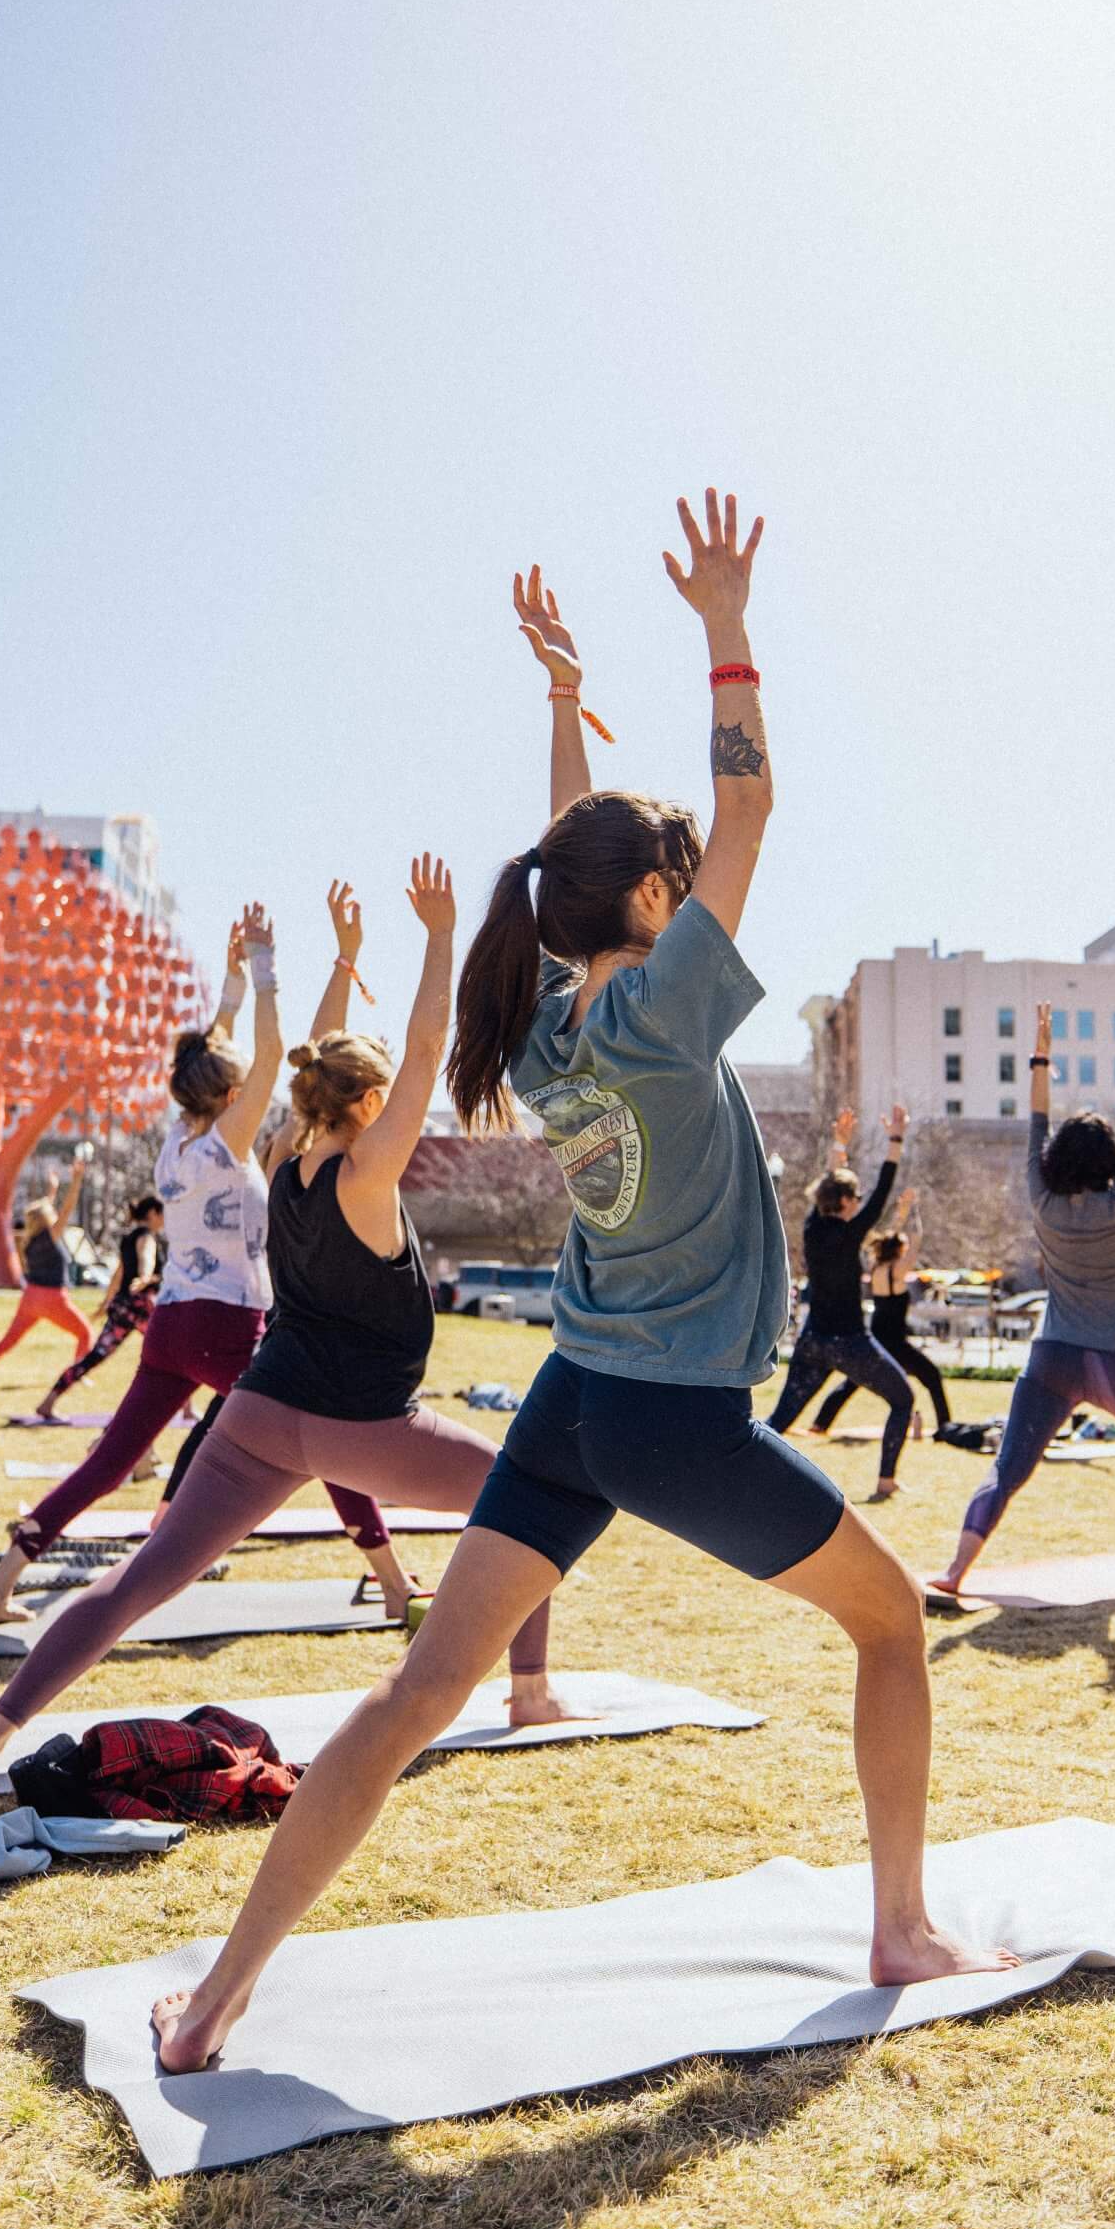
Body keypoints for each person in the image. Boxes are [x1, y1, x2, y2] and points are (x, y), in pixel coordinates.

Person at [146, 491, 1018, 2076]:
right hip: (667, 1419)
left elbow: (574, 858)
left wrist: (561, 700)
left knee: (421, 1692)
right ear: (653, 910)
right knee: (894, 1630)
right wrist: (728, 634)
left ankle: (213, 2005)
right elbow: (744, 817)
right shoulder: (664, 1015)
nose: (693, 886)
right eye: (669, 880)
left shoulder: (549, 1022)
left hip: (572, 1399)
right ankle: (899, 1924)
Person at [0, 857, 567, 1781]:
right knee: (535, 1498)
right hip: (361, 1427)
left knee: (139, 1581)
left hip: (256, 1418)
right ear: (368, 1107)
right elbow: (423, 1040)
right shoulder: (365, 1176)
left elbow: (320, 1057)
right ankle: (529, 1690)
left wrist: (343, 959)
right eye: (383, 1097)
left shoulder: (283, 1158)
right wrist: (442, 939)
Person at [0, 905, 415, 1631]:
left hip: (170, 1324)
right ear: (233, 1099)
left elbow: (213, 1055)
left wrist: (229, 988)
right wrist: (264, 966)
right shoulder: (230, 1140)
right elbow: (268, 1057)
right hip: (229, 1323)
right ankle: (392, 1581)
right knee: (320, 1436)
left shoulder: (178, 1139)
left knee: (108, 1463)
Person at [928, 995, 1115, 1599]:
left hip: (1051, 1360)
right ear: (1113, 1160)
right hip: (1113, 1366)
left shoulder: (1042, 1199)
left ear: (1060, 1160)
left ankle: (956, 1571)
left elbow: (1033, 1128)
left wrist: (1040, 1058)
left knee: (1008, 1470)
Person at [766, 1104, 915, 1495]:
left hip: (813, 1341)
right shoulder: (850, 1233)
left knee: (779, 1420)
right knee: (904, 1400)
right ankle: (886, 1482)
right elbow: (883, 1189)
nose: (861, 1201)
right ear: (848, 1203)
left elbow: (830, 1187)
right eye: (857, 1197)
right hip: (849, 1344)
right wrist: (895, 1141)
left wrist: (839, 1145)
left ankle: (730, 1476)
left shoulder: (814, 1228)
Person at [810, 1198, 952, 1442]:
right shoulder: (896, 1272)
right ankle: (945, 1427)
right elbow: (915, 1240)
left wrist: (901, 1213)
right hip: (894, 1342)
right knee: (932, 1377)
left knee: (854, 1381)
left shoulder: (877, 1268)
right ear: (898, 1251)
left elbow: (892, 1239)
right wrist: (914, 1215)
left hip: (876, 1338)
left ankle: (820, 1422)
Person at [31, 1193, 166, 1420]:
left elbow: (119, 1273)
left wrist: (106, 1302)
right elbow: (146, 1258)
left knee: (96, 1355)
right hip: (142, 1307)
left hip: (123, 1306)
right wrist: (145, 1277)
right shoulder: (146, 1236)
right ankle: (186, 1409)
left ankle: (49, 1401)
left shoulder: (128, 1238)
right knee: (172, 1354)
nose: (164, 1220)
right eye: (163, 1215)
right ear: (153, 1214)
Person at [0, 1159, 94, 1384]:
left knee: (8, 1341)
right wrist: (76, 1180)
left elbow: (42, 1210)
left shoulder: (30, 1239)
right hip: (54, 1298)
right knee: (85, 1333)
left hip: (30, 1298)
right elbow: (67, 1208)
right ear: (47, 1218)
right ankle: (77, 1374)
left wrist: (52, 1190)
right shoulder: (51, 1235)